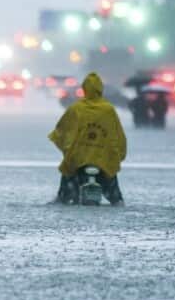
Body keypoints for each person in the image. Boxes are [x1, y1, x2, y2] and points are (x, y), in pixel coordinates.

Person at [48, 72, 127, 205]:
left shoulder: (76, 109)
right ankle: (116, 198)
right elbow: (117, 134)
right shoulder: (108, 110)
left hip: (78, 159)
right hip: (103, 160)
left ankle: (63, 197)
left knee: (67, 175)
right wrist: (118, 153)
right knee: (116, 200)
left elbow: (61, 131)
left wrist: (67, 148)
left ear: (84, 88)